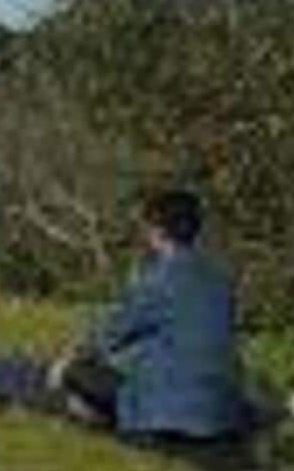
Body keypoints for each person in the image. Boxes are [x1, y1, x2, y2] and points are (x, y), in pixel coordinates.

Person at [47, 187, 245, 439]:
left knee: (77, 373)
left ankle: (98, 411)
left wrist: (66, 362)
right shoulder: (221, 279)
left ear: (158, 230)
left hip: (169, 413)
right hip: (224, 410)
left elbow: (110, 333)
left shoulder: (158, 279)